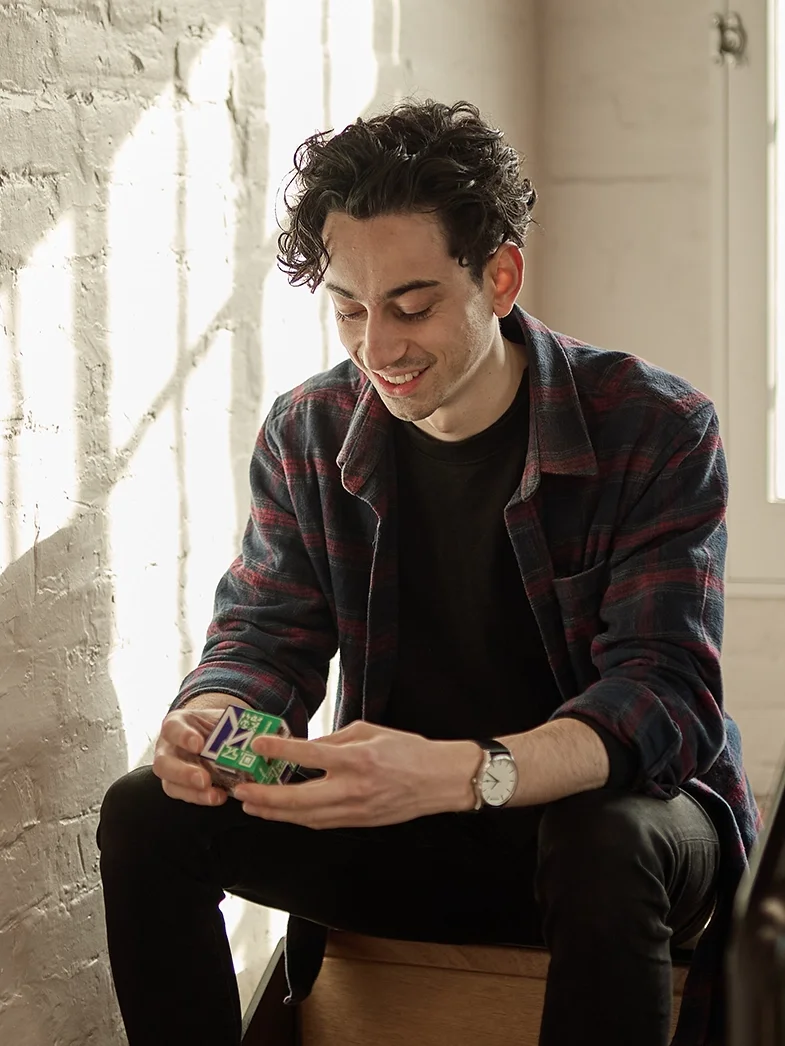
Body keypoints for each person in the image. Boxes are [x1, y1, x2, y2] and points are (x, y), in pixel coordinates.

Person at [97, 100, 760, 1046]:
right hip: (393, 820)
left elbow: (665, 701)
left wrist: (464, 773)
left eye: (411, 306)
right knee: (145, 813)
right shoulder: (308, 429)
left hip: (591, 832)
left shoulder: (652, 425)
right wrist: (214, 717)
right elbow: (262, 639)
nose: (378, 349)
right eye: (349, 309)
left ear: (499, 276)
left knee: (601, 837)